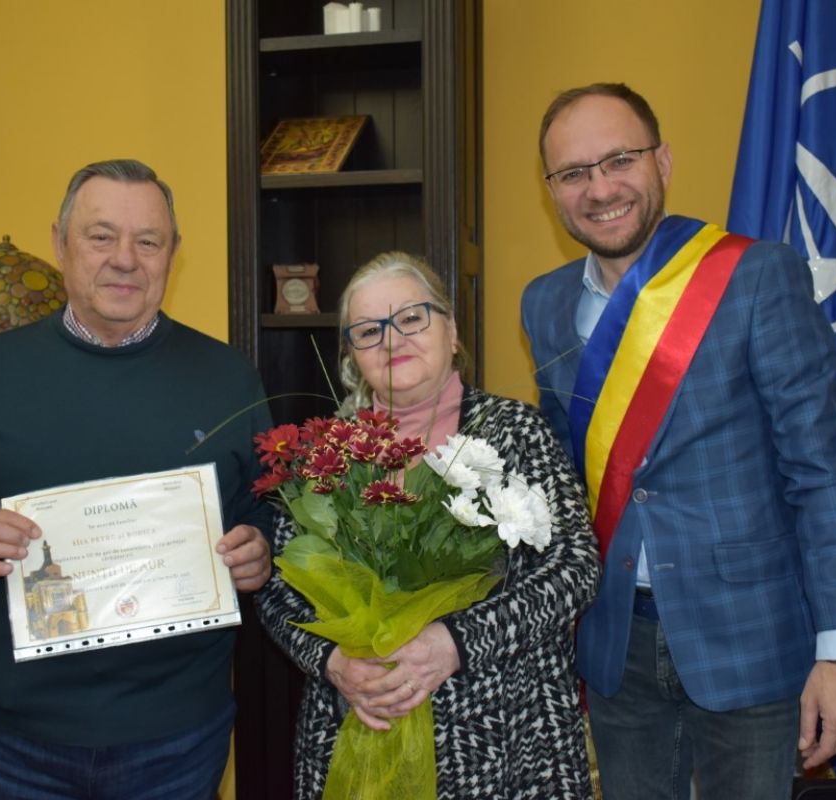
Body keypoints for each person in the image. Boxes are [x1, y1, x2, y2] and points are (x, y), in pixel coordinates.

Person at [521, 83, 836, 800]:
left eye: (619, 160)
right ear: (552, 191)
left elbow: (820, 470)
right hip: (615, 642)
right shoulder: (545, 302)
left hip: (751, 637)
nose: (600, 189)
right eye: (574, 172)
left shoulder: (756, 275)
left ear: (662, 161)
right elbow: (564, 477)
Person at [0, 158, 273, 800]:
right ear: (60, 243)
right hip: (12, 739)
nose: (125, 259)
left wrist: (260, 548)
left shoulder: (229, 377)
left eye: (147, 241)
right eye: (101, 236)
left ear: (172, 253)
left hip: (176, 738)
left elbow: (266, 514)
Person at [254, 251, 601, 799]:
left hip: (509, 740)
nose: (392, 340)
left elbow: (574, 569)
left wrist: (457, 642)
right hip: (359, 732)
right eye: (369, 330)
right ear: (351, 356)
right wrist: (333, 661)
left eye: (412, 318)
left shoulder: (515, 431)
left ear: (452, 330)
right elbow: (278, 589)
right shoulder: (325, 454)